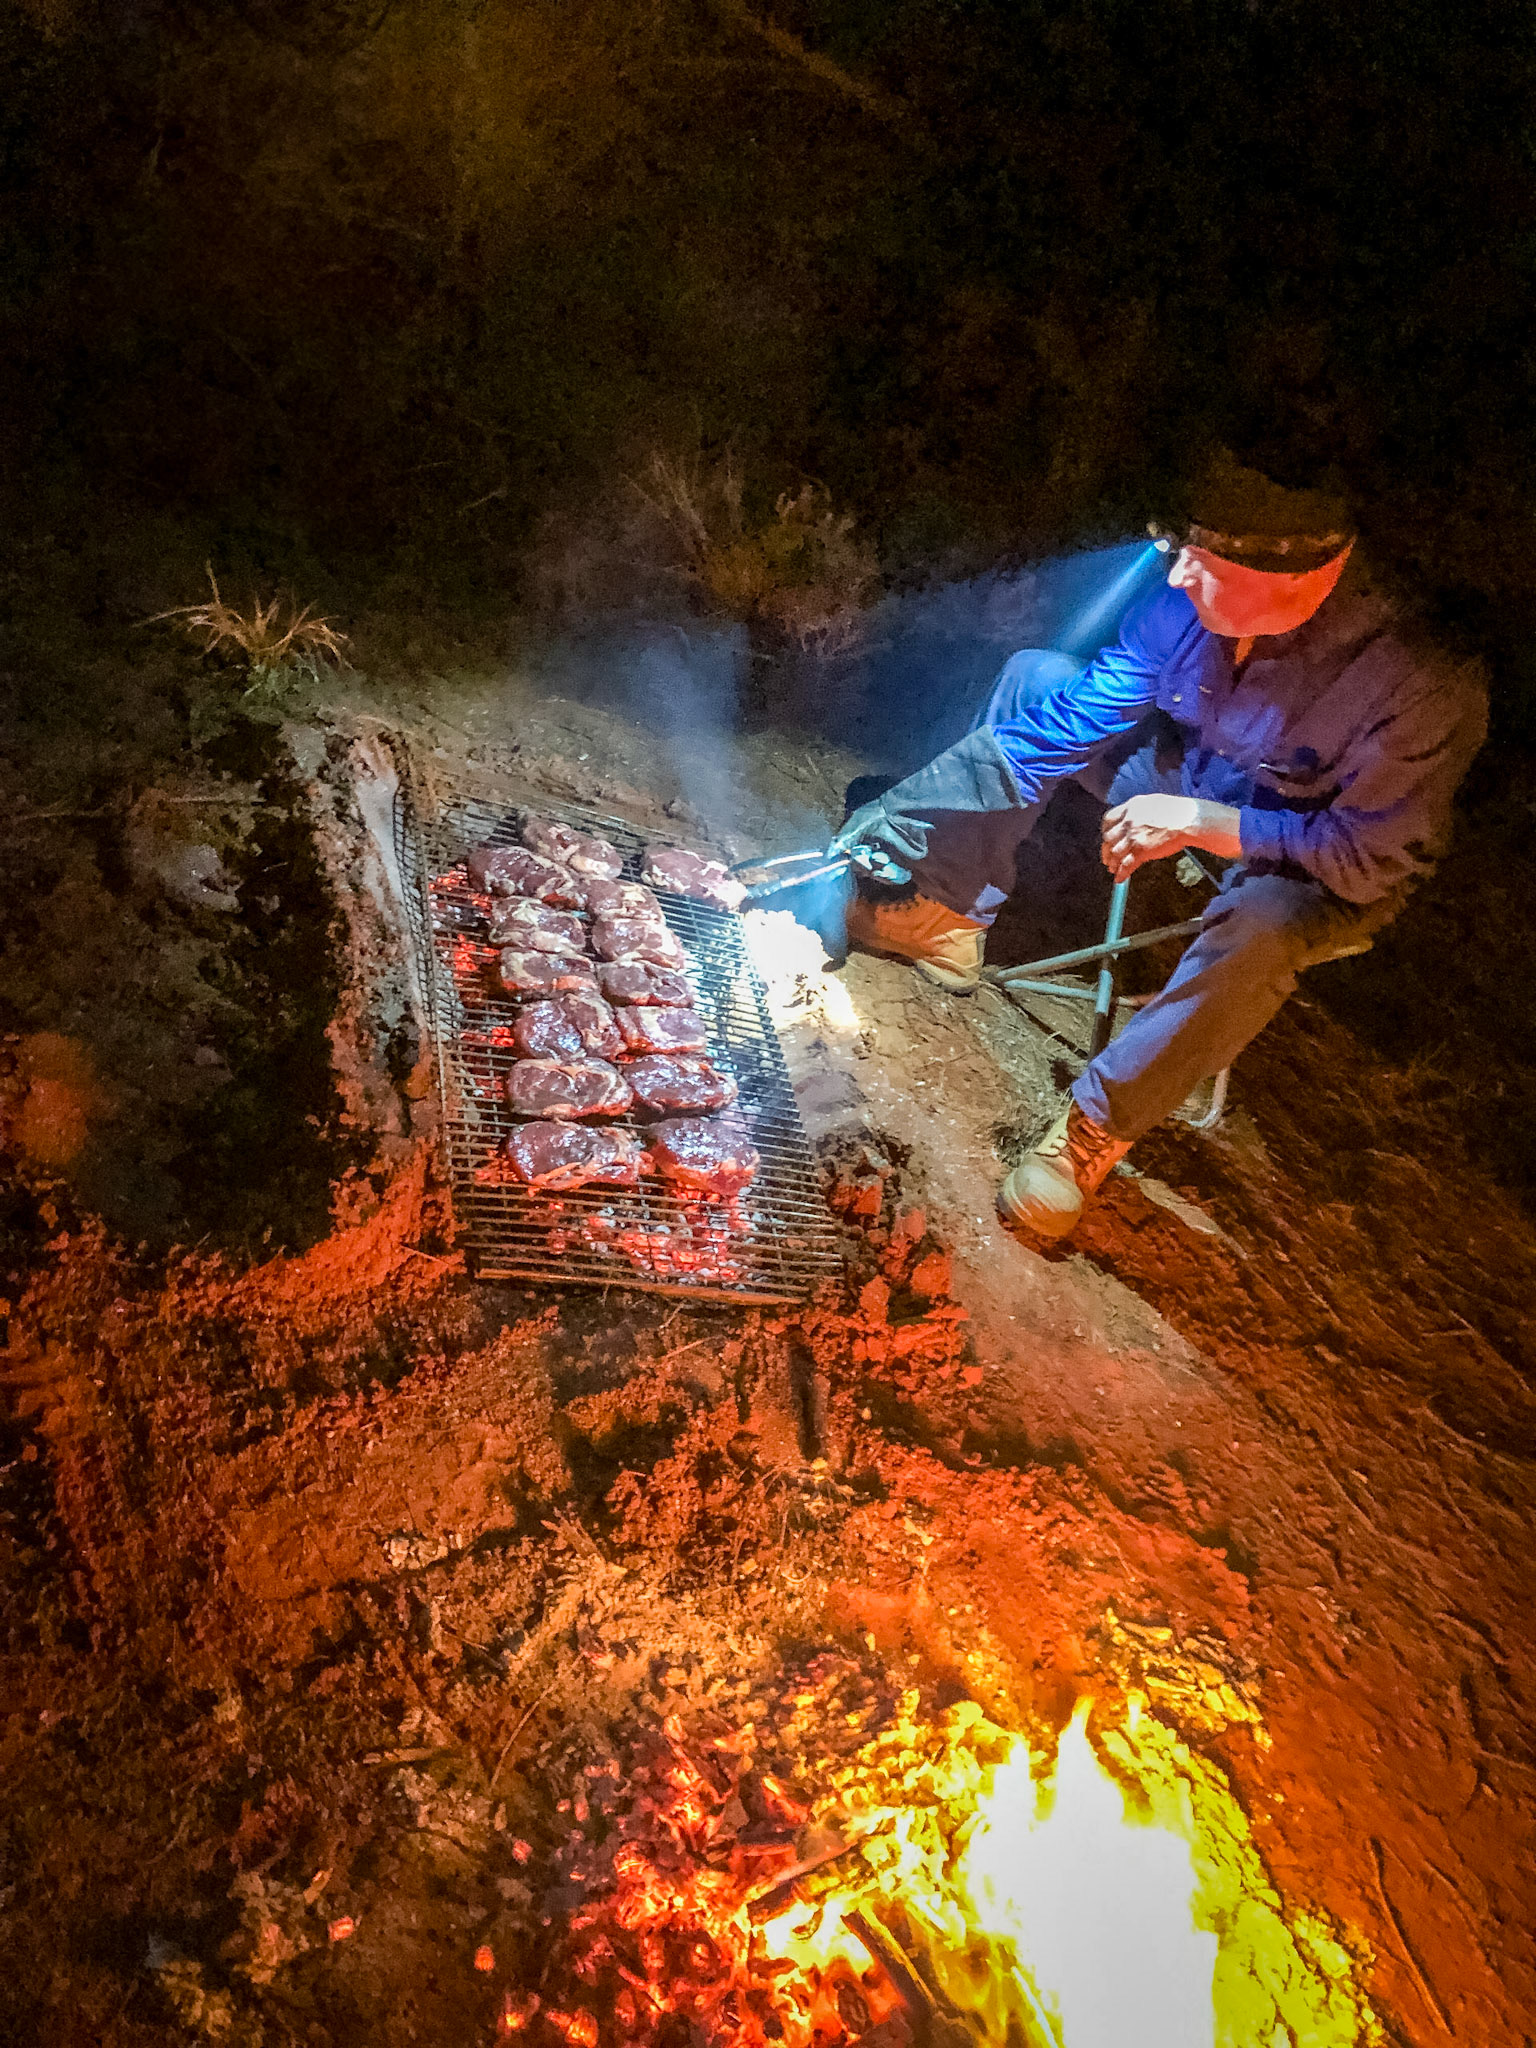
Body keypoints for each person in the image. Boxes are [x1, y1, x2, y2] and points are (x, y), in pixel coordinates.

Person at [832, 457, 1488, 1239]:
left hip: (1313, 854)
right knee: (1036, 679)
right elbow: (1077, 716)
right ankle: (948, 912)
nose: (1175, 578)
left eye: (1198, 564)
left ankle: (1094, 1128)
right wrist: (911, 809)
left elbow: (1368, 853)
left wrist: (1204, 826)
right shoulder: (1192, 606)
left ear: (1294, 581)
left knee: (1264, 927)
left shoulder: (1419, 678)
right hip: (1192, 775)